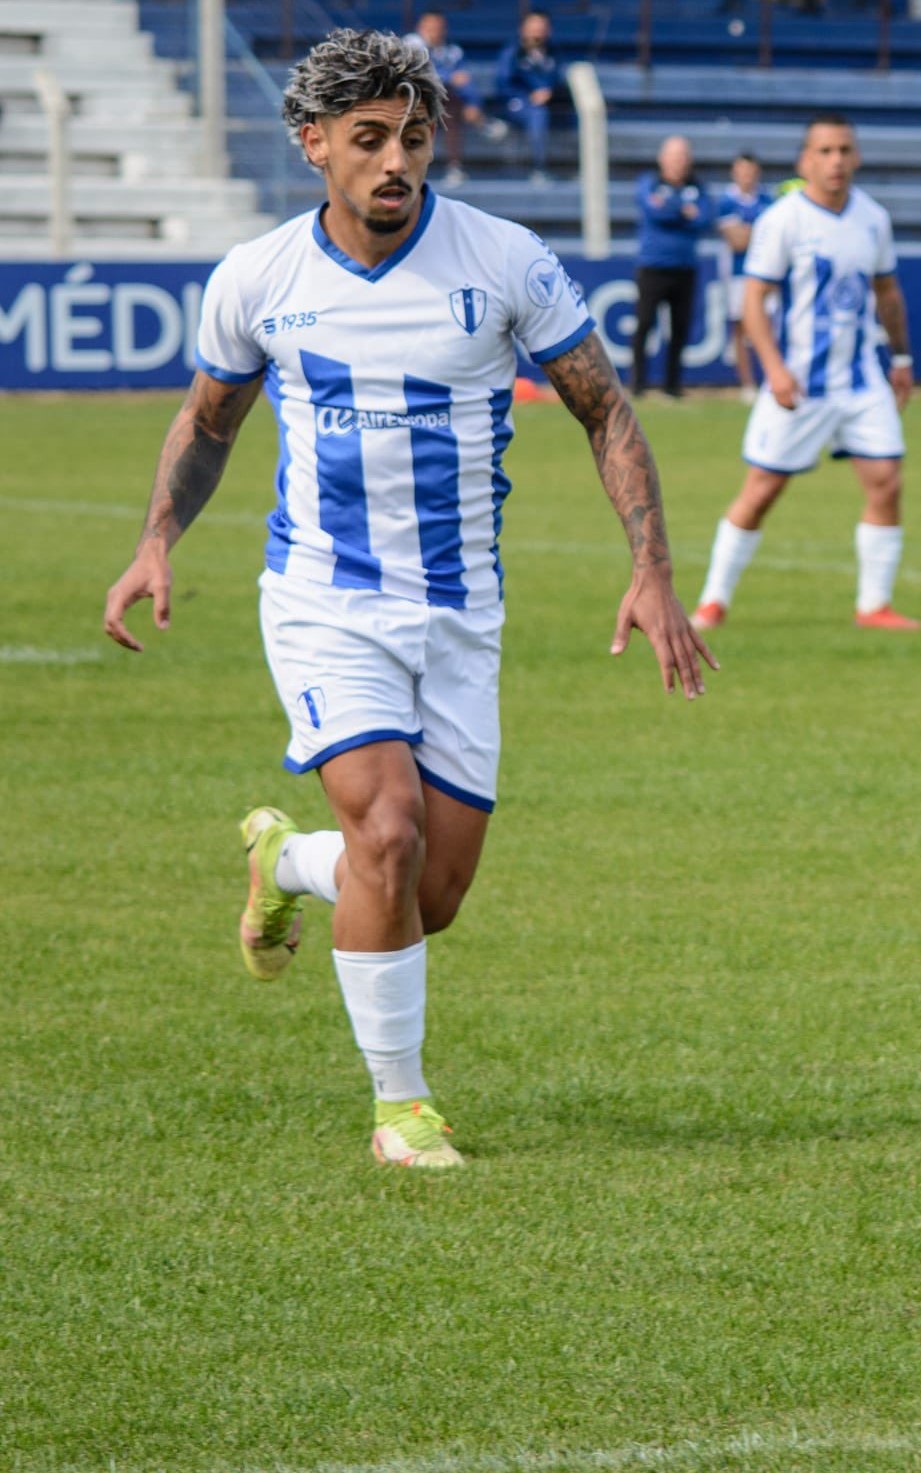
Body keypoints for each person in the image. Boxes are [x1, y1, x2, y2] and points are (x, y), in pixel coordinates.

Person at [100, 28, 715, 1170]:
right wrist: (154, 543)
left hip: (462, 615)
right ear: (314, 144)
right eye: (370, 139)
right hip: (324, 602)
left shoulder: (505, 262)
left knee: (428, 896)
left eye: (415, 138)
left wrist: (653, 569)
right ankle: (402, 1107)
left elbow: (606, 409)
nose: (396, 161)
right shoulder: (259, 278)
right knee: (384, 831)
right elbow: (208, 423)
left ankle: (284, 863)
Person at [691, 113, 921, 633]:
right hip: (799, 380)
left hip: (861, 379)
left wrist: (902, 360)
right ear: (805, 161)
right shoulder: (783, 220)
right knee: (762, 490)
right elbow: (753, 300)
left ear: (856, 157)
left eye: (844, 149)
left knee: (886, 481)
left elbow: (887, 292)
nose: (836, 160)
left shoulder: (873, 219)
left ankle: (873, 606)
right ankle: (712, 601)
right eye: (824, 151)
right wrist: (773, 368)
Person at [632, 135, 712, 400]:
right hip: (653, 266)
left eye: (683, 157)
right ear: (662, 158)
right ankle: (638, 384)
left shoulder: (698, 187)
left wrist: (671, 209)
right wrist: (683, 212)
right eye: (674, 156)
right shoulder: (649, 183)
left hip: (685, 268)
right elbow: (655, 212)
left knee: (680, 328)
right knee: (644, 325)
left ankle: (672, 384)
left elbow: (704, 219)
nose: (679, 162)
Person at [403, 10, 494, 188]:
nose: (434, 31)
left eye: (438, 27)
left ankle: (454, 166)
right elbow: (418, 73)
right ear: (420, 27)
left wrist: (473, 104)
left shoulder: (452, 51)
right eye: (430, 26)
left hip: (443, 100)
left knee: (453, 107)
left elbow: (465, 80)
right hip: (411, 98)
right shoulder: (411, 43)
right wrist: (448, 77)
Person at [716, 151, 773, 400]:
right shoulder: (727, 201)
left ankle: (770, 379)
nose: (746, 176)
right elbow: (737, 241)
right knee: (741, 327)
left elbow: (773, 240)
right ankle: (747, 384)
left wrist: (748, 231)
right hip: (738, 273)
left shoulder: (767, 200)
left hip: (767, 272)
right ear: (734, 173)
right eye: (742, 171)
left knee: (768, 327)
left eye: (750, 171)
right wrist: (757, 233)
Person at [493, 10, 562, 184]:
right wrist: (529, 96)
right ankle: (539, 168)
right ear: (523, 29)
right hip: (515, 103)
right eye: (533, 26)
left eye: (541, 27)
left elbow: (558, 79)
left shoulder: (553, 54)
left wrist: (549, 91)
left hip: (547, 104)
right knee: (538, 114)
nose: (537, 31)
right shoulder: (512, 53)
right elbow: (503, 84)